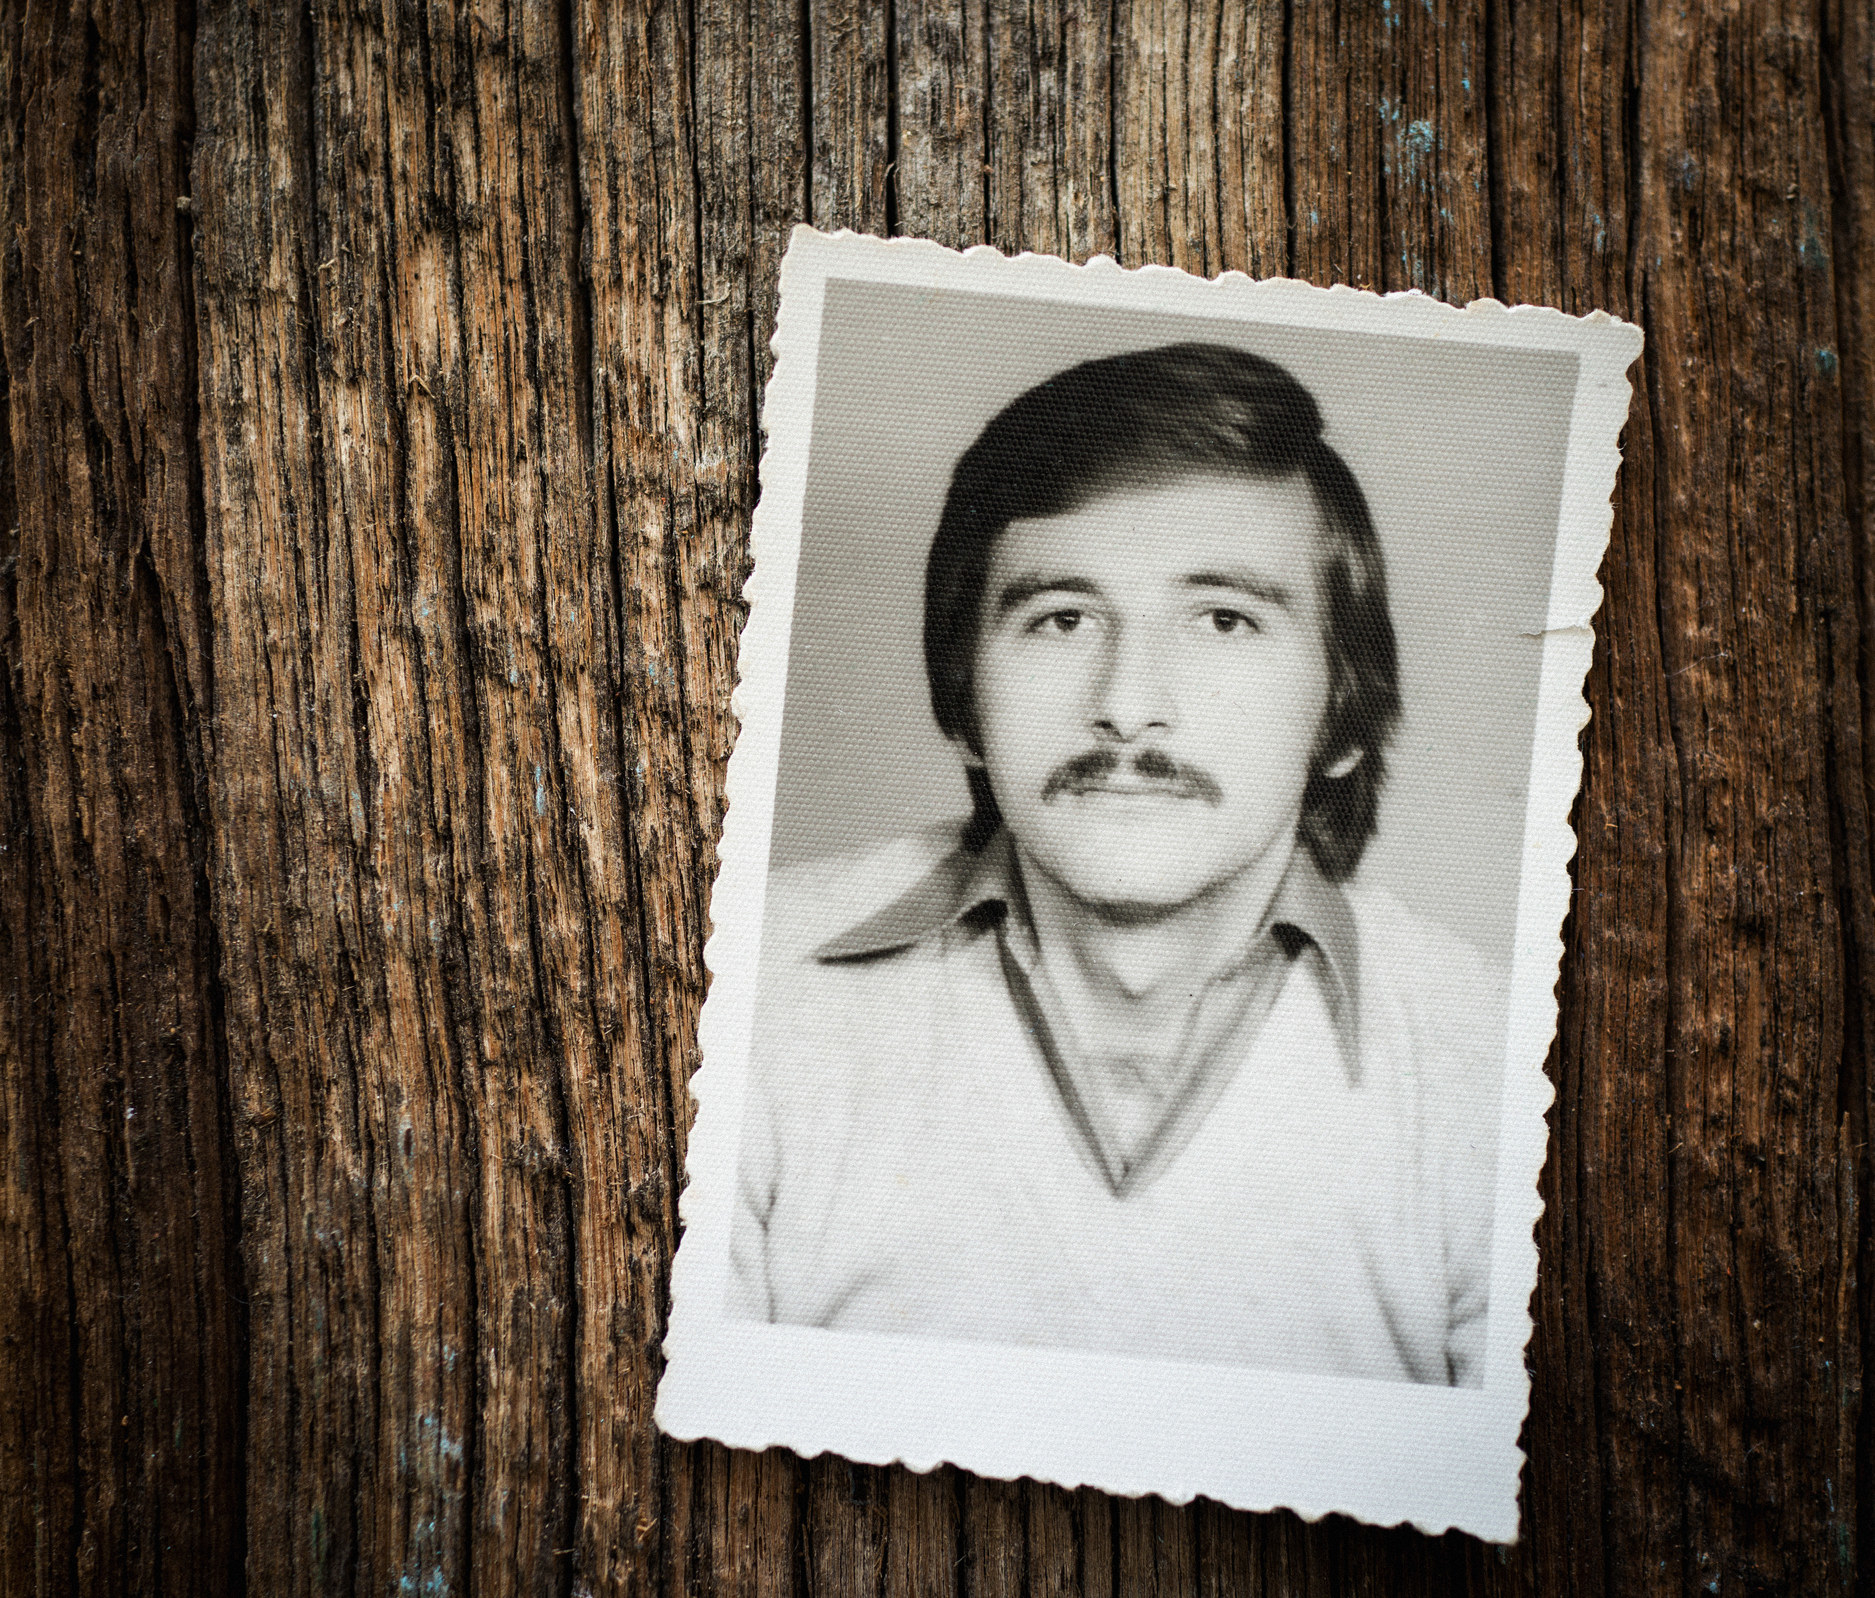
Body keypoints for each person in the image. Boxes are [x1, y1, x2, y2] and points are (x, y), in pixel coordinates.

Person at [729, 343, 1499, 1386]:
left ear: (1341, 714)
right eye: (1063, 617)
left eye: (1223, 618)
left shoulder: (1493, 1065)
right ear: (966, 702)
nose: (1130, 702)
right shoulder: (738, 983)